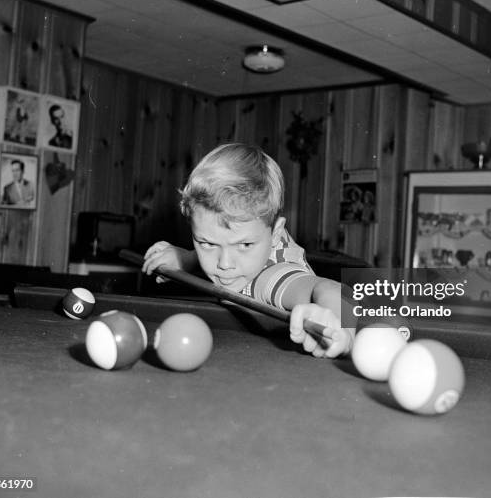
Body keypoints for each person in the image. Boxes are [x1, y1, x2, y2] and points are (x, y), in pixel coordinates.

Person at [142, 143, 354, 358]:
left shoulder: (272, 278)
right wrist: (185, 258)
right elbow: (224, 246)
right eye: (207, 243)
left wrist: (342, 331)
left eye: (244, 245)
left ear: (276, 234)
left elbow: (333, 290)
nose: (224, 264)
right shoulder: (238, 254)